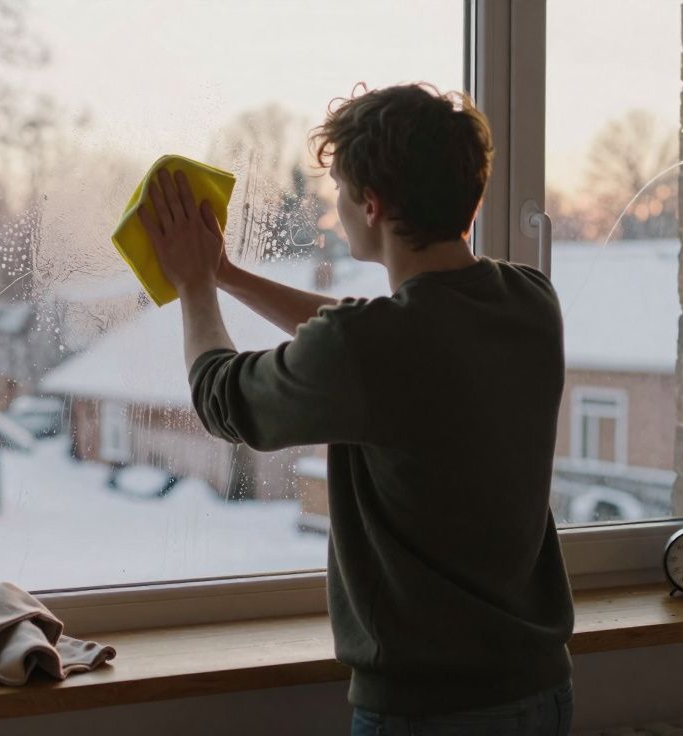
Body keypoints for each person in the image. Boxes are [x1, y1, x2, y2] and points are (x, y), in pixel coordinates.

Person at [136, 83, 575, 735]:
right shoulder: (530, 299)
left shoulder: (370, 349)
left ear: (371, 205)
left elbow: (223, 398)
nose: (334, 208)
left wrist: (194, 284)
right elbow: (366, 335)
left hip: (430, 713)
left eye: (339, 190)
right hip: (542, 692)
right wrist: (229, 274)